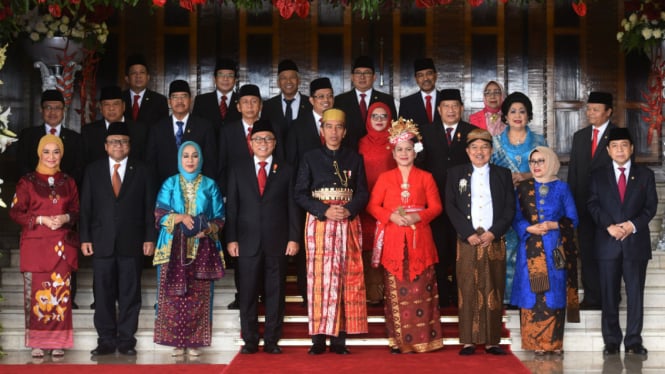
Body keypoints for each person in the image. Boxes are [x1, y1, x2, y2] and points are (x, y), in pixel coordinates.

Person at [294, 108, 369, 355]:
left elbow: (362, 192)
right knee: (319, 280)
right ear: (322, 130)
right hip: (320, 224)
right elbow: (300, 193)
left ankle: (339, 340)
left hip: (347, 222)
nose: (334, 132)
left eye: (338, 127)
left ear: (345, 131)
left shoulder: (354, 158)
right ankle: (318, 339)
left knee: (345, 279)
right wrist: (323, 210)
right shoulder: (310, 157)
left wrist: (348, 209)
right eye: (329, 127)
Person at [366, 118, 443, 354]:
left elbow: (436, 207)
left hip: (420, 240)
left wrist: (416, 218)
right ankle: (399, 341)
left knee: (422, 291)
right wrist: (391, 217)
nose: (404, 153)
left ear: (415, 151)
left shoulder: (426, 177)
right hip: (393, 241)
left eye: (408, 149)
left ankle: (425, 341)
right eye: (399, 149)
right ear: (394, 152)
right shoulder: (385, 178)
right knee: (396, 293)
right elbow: (372, 206)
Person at [79, 122, 157, 356]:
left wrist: (149, 238)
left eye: (123, 141)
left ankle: (126, 340)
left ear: (129, 146)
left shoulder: (142, 170)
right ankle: (105, 339)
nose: (118, 145)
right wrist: (85, 238)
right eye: (113, 141)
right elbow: (86, 208)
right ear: (105, 146)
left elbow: (148, 207)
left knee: (129, 293)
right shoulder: (93, 170)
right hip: (101, 241)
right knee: (102, 293)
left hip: (131, 242)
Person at [225, 120, 302, 354]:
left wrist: (294, 238)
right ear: (251, 142)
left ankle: (271, 340)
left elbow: (293, 207)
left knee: (275, 293)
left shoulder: (286, 169)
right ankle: (250, 339)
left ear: (275, 143)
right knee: (247, 293)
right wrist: (231, 239)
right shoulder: (238, 169)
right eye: (258, 139)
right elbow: (232, 209)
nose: (263, 143)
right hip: (246, 242)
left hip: (277, 241)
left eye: (268, 139)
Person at [445, 128, 515, 356]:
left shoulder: (502, 174)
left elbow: (509, 208)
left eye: (484, 147)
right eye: (474, 147)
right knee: (467, 287)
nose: (479, 151)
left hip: (493, 239)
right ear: (467, 151)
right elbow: (451, 205)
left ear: (491, 151)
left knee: (493, 286)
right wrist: (467, 233)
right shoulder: (456, 173)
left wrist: (494, 232)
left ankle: (492, 340)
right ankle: (468, 340)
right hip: (468, 239)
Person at [587, 128, 657, 356]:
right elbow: (593, 204)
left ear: (632, 148)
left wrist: (631, 225)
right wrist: (609, 226)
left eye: (624, 145)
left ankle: (634, 340)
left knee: (635, 293)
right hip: (607, 243)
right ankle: (612, 340)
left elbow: (650, 207)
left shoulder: (645, 175)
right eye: (615, 146)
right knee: (608, 293)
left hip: (635, 242)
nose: (620, 150)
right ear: (608, 150)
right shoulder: (597, 175)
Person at [9, 134, 79, 358]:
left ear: (62, 154)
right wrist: (40, 220)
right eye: (46, 152)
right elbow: (16, 212)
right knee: (36, 295)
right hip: (35, 247)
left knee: (60, 296)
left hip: (61, 247)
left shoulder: (68, 181)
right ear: (39, 153)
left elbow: (77, 210)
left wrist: (66, 218)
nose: (51, 156)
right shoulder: (27, 182)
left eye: (56, 151)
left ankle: (58, 341)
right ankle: (37, 342)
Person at [153, 141, 225, 357]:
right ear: (179, 159)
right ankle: (176, 343)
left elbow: (220, 217)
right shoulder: (170, 183)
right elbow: (159, 215)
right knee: (173, 297)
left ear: (200, 158)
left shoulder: (210, 185)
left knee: (199, 297)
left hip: (202, 249)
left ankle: (194, 342)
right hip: (172, 249)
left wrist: (209, 229)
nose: (190, 160)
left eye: (194, 156)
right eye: (186, 156)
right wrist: (180, 217)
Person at [16, 89, 83, 309]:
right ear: (41, 110)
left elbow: (76, 171)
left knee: (66, 261)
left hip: (65, 209)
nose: (53, 112)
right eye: (48, 107)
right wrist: (39, 189)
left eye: (57, 108)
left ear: (64, 111)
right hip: (36, 208)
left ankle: (67, 300)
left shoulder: (74, 138)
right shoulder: (28, 135)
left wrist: (62, 194)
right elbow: (22, 166)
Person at [511, 146, 579, 355]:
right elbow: (515, 218)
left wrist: (552, 225)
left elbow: (573, 219)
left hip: (555, 249)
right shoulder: (522, 188)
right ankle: (535, 344)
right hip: (531, 248)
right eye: (533, 162)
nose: (536, 166)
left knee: (554, 293)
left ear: (550, 161)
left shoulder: (562, 188)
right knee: (534, 293)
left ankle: (553, 344)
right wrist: (528, 228)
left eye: (541, 161)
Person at [418, 88, 477, 307]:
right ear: (439, 109)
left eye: (455, 106)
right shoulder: (424, 132)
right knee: (439, 249)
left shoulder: (473, 132)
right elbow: (419, 165)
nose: (451, 110)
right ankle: (441, 295)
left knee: (461, 251)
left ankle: (462, 296)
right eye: (446, 106)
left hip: (465, 203)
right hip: (434, 202)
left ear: (462, 109)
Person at [490, 91, 547, 306]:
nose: (517, 115)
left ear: (529, 116)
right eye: (512, 111)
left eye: (522, 111)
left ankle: (529, 296)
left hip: (532, 205)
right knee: (506, 249)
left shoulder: (539, 141)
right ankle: (505, 298)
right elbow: (489, 173)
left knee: (529, 249)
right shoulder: (495, 143)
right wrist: (506, 181)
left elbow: (549, 170)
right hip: (504, 205)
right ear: (504, 116)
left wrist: (526, 176)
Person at [285, 77, 334, 307]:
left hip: (336, 203)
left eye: (329, 96)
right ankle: (309, 296)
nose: (326, 100)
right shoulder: (297, 126)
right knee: (308, 250)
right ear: (311, 100)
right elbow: (292, 165)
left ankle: (332, 294)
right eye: (321, 96)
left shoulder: (340, 123)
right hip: (306, 200)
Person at [567, 91, 617, 311]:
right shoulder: (580, 136)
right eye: (589, 109)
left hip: (609, 209)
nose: (590, 113)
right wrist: (570, 205)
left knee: (608, 255)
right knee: (586, 253)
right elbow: (574, 173)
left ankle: (610, 297)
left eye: (596, 109)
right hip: (583, 206)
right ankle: (591, 297)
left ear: (608, 112)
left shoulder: (619, 136)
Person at [358, 102, 396, 304]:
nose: (379, 120)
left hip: (389, 205)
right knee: (368, 248)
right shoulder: (360, 143)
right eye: (375, 116)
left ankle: (389, 294)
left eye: (383, 116)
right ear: (368, 120)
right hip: (366, 203)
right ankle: (371, 295)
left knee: (388, 247)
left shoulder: (397, 142)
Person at [146, 79, 218, 185]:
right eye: (175, 97)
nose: (179, 101)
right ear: (169, 101)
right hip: (165, 190)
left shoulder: (204, 127)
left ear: (190, 100)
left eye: (184, 96)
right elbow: (150, 165)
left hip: (196, 191)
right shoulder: (157, 128)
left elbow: (210, 163)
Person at [334, 56, 397, 150]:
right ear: (352, 77)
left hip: (378, 152)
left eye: (367, 73)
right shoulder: (340, 100)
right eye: (358, 73)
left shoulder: (386, 99)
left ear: (374, 77)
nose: (362, 77)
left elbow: (393, 129)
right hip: (348, 152)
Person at [82, 85, 149, 165]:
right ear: (100, 108)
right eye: (106, 104)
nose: (111, 108)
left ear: (123, 106)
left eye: (116, 104)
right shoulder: (89, 132)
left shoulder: (140, 130)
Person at [260, 59, 313, 143]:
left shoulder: (310, 104)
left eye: (292, 77)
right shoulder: (268, 106)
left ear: (299, 81)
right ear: (278, 83)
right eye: (284, 78)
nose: (288, 81)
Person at [192, 58, 242, 135]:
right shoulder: (201, 101)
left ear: (235, 80)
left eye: (230, 75)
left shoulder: (242, 101)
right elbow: (195, 129)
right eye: (221, 75)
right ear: (214, 79)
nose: (225, 79)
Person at [122, 54, 169, 127]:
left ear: (148, 77)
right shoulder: (119, 99)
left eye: (142, 72)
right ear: (127, 79)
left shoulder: (159, 100)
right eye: (134, 73)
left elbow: (163, 128)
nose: (138, 76)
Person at [398, 58, 441, 128]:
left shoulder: (446, 99)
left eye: (429, 73)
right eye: (420, 75)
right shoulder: (406, 103)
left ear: (435, 75)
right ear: (416, 79)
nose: (425, 78)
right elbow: (402, 131)